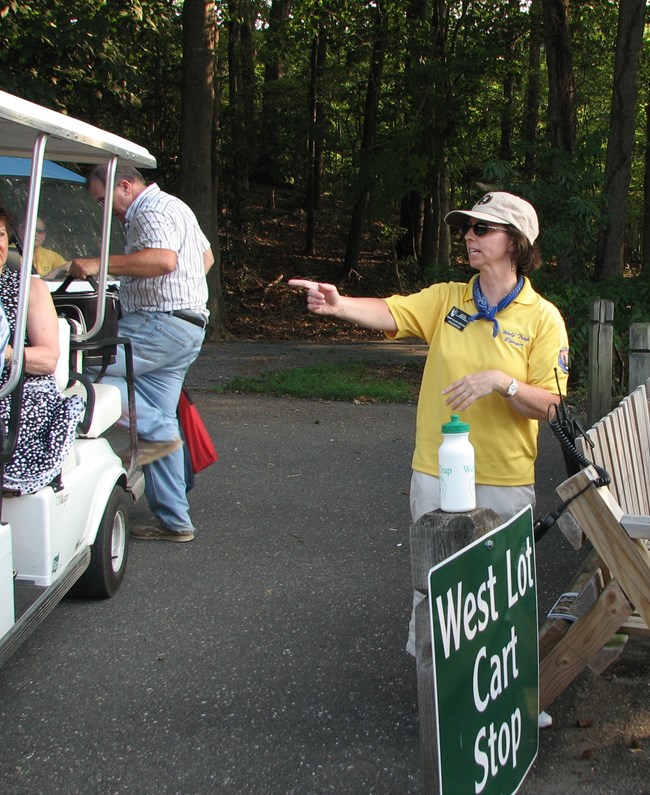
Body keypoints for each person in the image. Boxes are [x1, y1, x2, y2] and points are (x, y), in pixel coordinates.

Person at [290, 191, 569, 680]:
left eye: (482, 229)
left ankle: (511, 699)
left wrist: (499, 382)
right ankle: (434, 688)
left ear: (515, 242)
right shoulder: (447, 298)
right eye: (466, 228)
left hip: (503, 475)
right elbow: (391, 312)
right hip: (437, 468)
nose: (468, 236)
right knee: (434, 581)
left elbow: (552, 406)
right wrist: (340, 306)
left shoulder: (542, 317)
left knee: (503, 588)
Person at [68, 165, 213, 543]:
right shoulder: (176, 206)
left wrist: (100, 264)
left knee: (75, 374)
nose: (105, 210)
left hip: (158, 326)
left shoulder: (148, 210)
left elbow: (164, 260)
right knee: (160, 418)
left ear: (125, 185)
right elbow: (205, 259)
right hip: (187, 326)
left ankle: (157, 443)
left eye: (104, 200)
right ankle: (175, 520)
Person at [0, 204, 85, 494]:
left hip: (20, 393)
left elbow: (48, 359)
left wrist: (6, 353)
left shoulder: (29, 291)